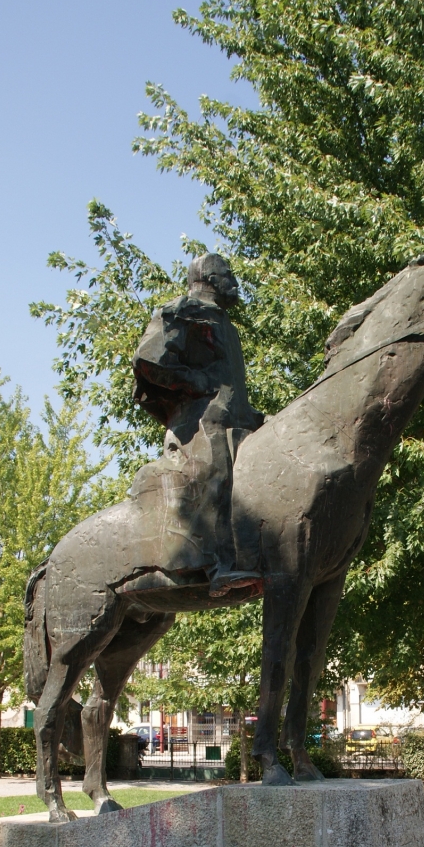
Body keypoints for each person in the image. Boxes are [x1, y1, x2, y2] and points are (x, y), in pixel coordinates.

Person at [130, 253, 263, 597]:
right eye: (227, 274)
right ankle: (218, 566)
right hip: (201, 423)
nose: (233, 280)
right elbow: (148, 359)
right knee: (216, 470)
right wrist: (196, 381)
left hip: (239, 418)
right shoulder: (183, 310)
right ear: (208, 277)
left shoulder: (227, 327)